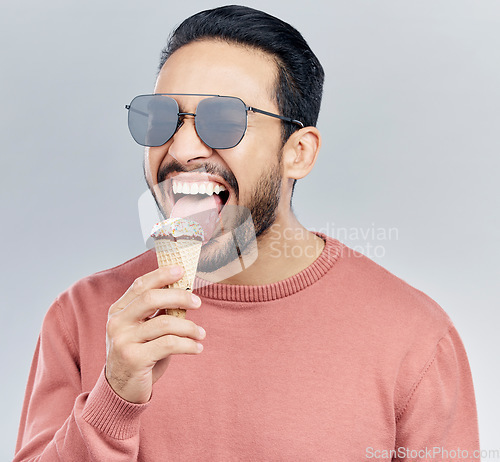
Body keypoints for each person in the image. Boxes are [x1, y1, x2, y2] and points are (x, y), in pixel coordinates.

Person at [15, 5, 480, 461]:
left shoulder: (415, 339)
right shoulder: (80, 316)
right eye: (163, 118)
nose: (181, 148)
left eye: (223, 121)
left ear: (297, 152)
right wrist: (113, 398)